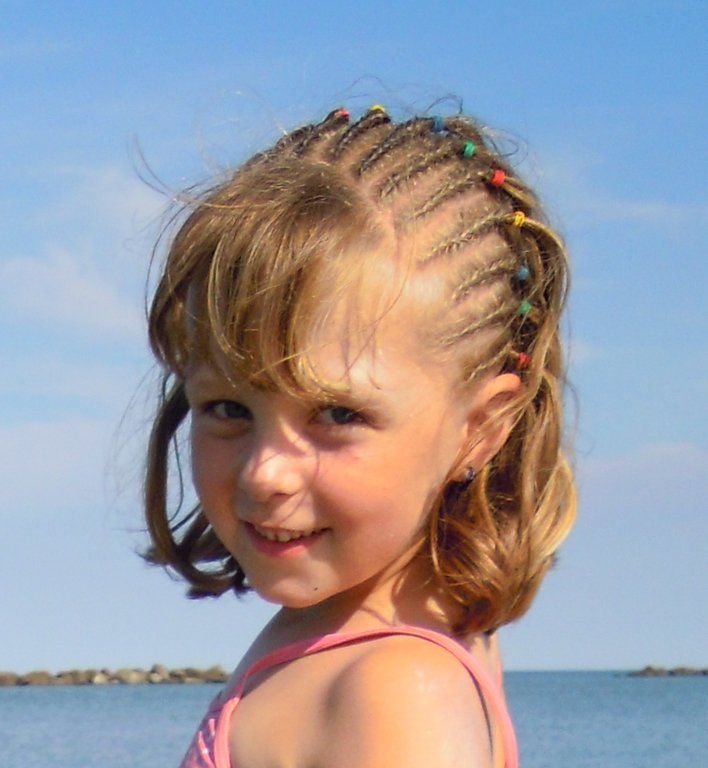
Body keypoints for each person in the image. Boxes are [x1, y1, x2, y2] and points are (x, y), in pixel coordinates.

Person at [143, 104, 576, 768]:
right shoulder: (367, 641)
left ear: (481, 428)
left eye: (338, 415)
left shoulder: (393, 693)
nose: (265, 472)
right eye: (228, 407)